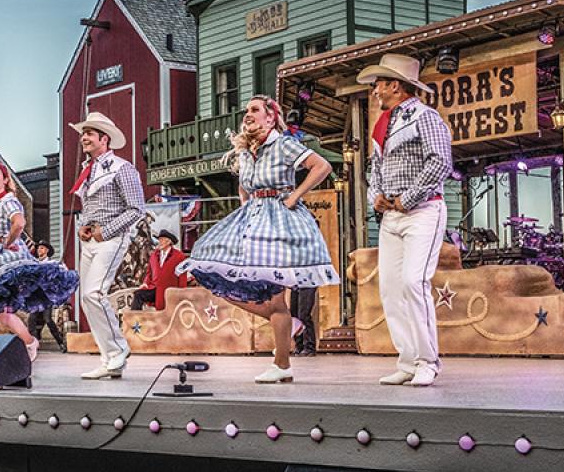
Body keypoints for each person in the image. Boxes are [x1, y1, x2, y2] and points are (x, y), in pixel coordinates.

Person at [177, 95, 337, 384]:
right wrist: (245, 209)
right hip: (253, 219)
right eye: (246, 111)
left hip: (278, 220)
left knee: (275, 298)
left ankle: (282, 363)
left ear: (270, 116)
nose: (248, 115)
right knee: (214, 274)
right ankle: (290, 327)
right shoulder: (245, 151)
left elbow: (322, 166)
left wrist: (295, 196)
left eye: (254, 110)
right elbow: (243, 187)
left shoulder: (283, 144)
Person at [360, 53, 453, 387]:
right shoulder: (383, 123)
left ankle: (428, 360)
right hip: (393, 216)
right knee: (391, 288)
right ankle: (409, 359)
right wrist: (378, 196)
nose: (375, 91)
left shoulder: (425, 116)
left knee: (414, 283)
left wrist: (407, 197)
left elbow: (441, 161)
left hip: (423, 211)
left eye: (379, 84)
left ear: (395, 86)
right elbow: (375, 167)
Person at [0, 164, 78, 361]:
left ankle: (29, 342)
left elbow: (19, 223)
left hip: (5, 258)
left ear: (5, 180)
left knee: (2, 313)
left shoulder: (8, 201)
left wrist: (8, 242)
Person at [69, 112, 145, 380]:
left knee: (93, 293)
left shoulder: (121, 167)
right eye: (83, 133)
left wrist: (106, 230)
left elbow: (137, 208)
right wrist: (84, 226)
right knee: (86, 298)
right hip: (91, 239)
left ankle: (118, 350)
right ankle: (110, 358)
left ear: (105, 138)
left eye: (89, 133)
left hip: (112, 237)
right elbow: (89, 207)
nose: (84, 138)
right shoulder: (87, 169)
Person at [130, 229, 187, 311]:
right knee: (138, 295)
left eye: (162, 240)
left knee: (166, 312)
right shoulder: (154, 255)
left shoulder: (179, 256)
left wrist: (182, 294)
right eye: (159, 240)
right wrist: (145, 283)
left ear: (168, 242)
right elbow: (149, 273)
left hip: (169, 291)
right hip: (155, 289)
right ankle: (135, 320)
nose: (159, 242)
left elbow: (182, 276)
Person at [26, 242, 67, 352]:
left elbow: (64, 274)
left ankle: (61, 343)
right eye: (39, 248)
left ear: (47, 250)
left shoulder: (53, 263)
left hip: (47, 297)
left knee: (48, 320)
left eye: (42, 248)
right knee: (31, 320)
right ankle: (35, 344)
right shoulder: (34, 264)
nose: (39, 250)